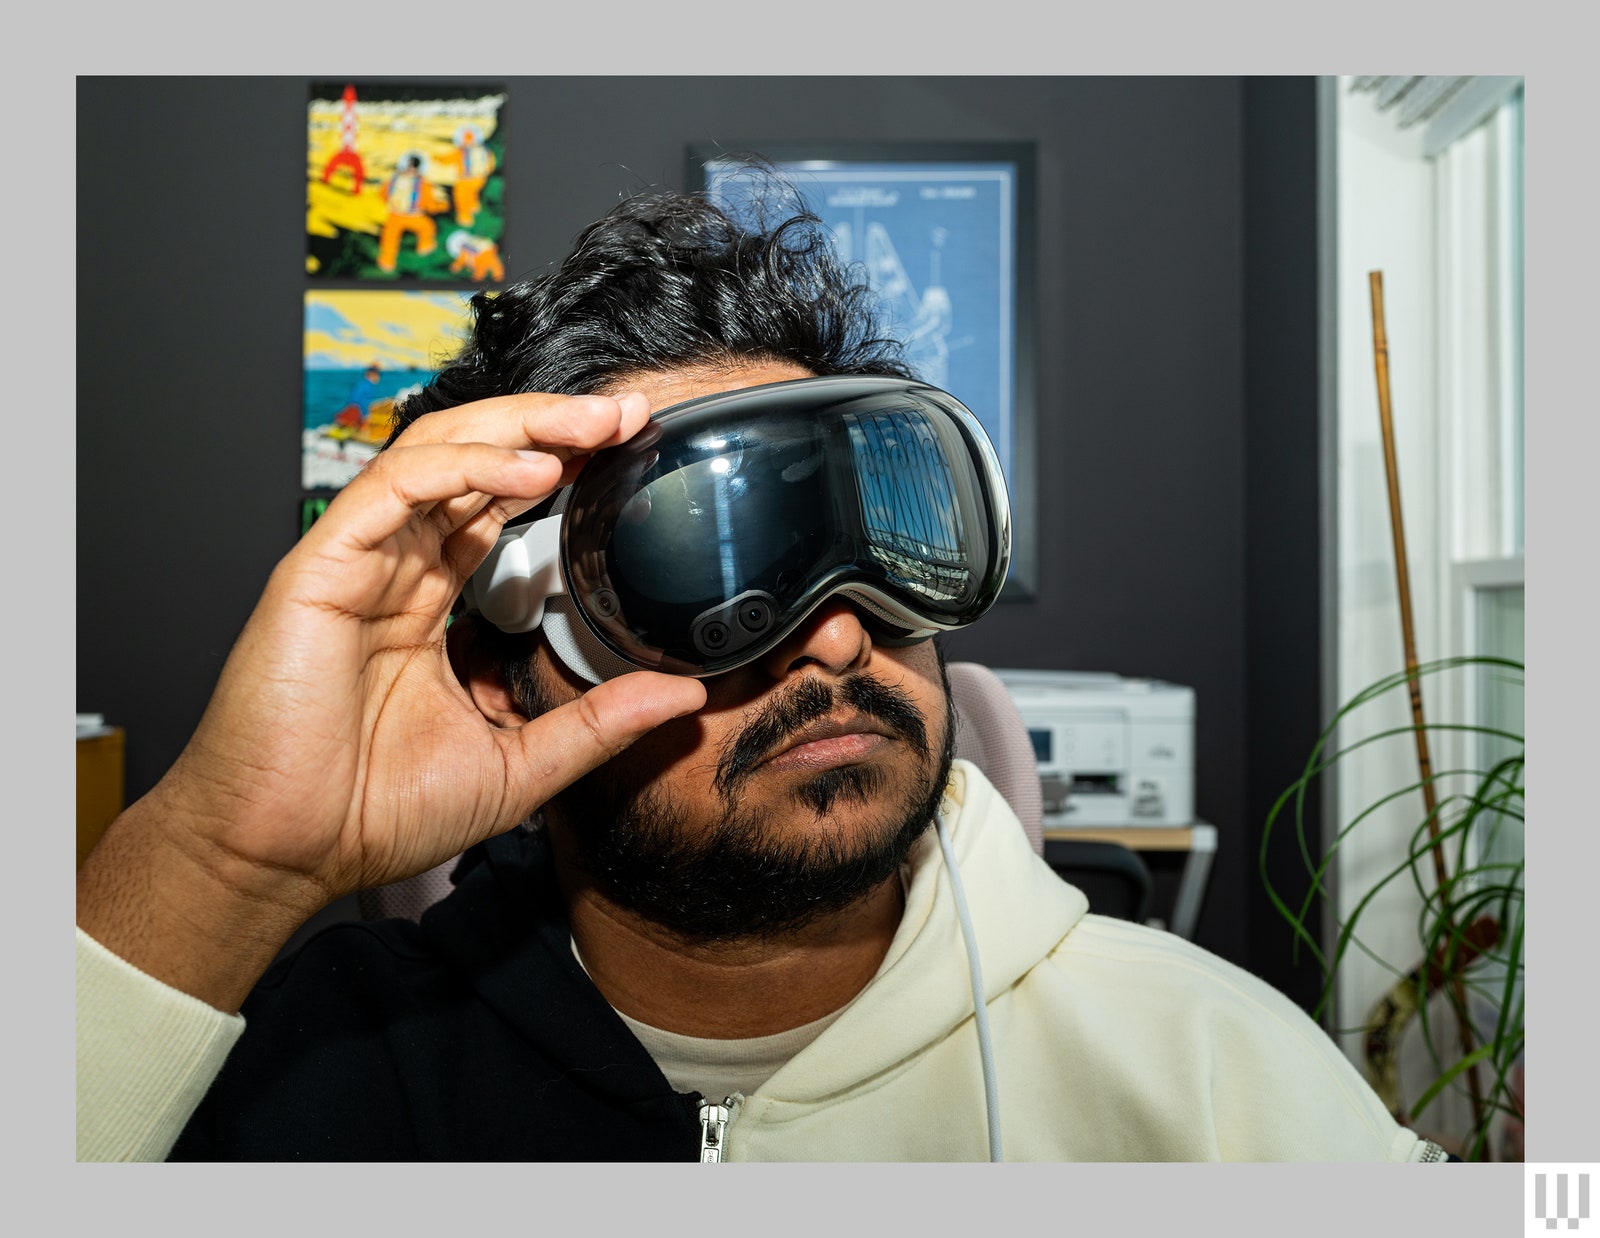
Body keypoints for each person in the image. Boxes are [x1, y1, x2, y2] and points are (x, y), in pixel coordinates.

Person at [76, 182, 1450, 1163]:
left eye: (874, 543)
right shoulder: (316, 1084)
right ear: (516, 659)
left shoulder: (1210, 1081)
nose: (843, 633)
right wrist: (223, 859)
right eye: (706, 570)